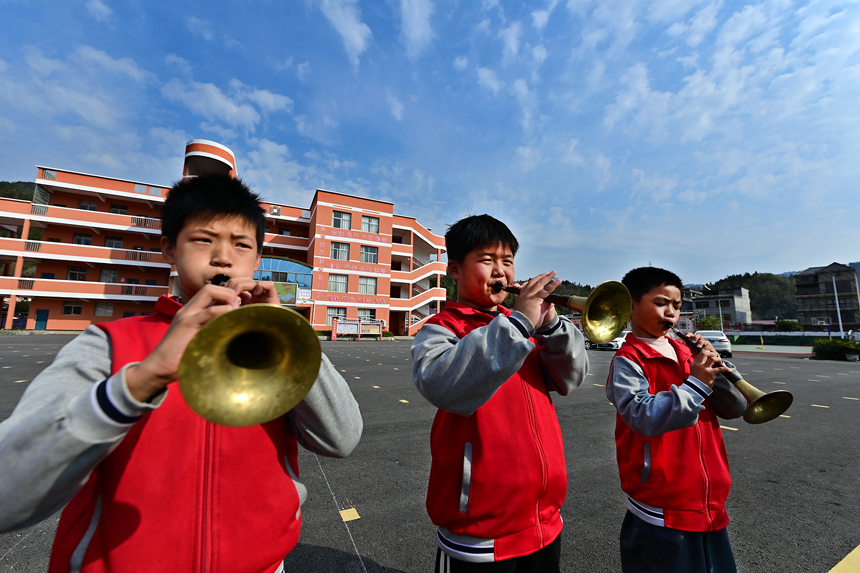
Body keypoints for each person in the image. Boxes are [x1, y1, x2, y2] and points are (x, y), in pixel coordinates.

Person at [0, 174, 363, 573]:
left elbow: (342, 439)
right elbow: (7, 495)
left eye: (242, 245)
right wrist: (141, 380)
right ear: (169, 249)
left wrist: (289, 337)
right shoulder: (107, 343)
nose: (223, 258)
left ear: (258, 259)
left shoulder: (278, 341)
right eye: (203, 240)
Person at [411, 214, 589, 572]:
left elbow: (571, 378)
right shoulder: (441, 328)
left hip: (543, 522)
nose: (501, 272)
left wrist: (552, 326)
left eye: (507, 261)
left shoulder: (525, 325)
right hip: (479, 532)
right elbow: (440, 383)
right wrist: (519, 323)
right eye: (487, 259)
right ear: (455, 270)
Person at [605, 267, 747, 573]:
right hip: (660, 510)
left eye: (677, 305)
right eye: (660, 303)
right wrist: (695, 384)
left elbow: (736, 408)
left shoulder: (688, 352)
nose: (671, 312)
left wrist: (717, 368)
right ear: (631, 305)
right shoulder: (628, 359)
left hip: (708, 504)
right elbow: (642, 416)